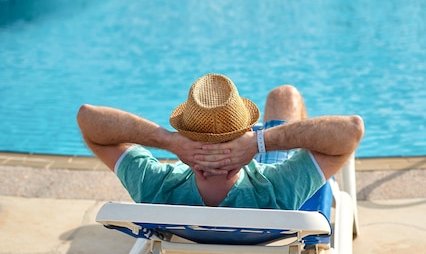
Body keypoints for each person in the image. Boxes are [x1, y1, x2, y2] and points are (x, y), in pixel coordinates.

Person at [77, 73, 364, 209]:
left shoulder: (157, 187)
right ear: (246, 130)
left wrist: (168, 141)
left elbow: (88, 119)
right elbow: (350, 131)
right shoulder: (279, 190)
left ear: (188, 138)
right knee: (284, 95)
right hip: (266, 183)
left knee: (282, 96)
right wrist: (257, 143)